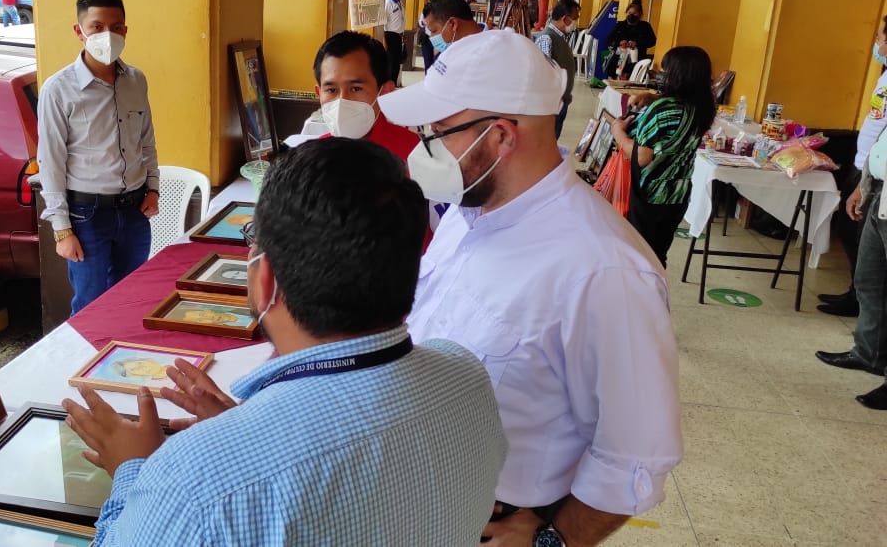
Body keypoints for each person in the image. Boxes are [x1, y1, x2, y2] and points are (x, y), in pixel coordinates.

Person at [63, 138, 506, 545]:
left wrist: (133, 472)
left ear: (264, 278)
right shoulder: (465, 375)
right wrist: (249, 428)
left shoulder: (190, 484)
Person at [378, 30, 682, 547]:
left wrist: (553, 539)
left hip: (493, 520)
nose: (426, 147)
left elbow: (633, 455)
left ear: (500, 136)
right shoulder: (470, 211)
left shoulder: (605, 272)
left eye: (440, 131)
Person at [37, 0, 160, 315]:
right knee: (91, 306)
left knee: (132, 299)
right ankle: (88, 366)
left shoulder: (136, 80)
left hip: (134, 211)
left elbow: (146, 140)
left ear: (125, 30)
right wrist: (62, 229)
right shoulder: (58, 89)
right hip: (86, 216)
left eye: (116, 27)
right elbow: (50, 162)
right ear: (80, 31)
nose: (108, 35)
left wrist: (153, 188)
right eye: (97, 27)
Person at [815, 16, 887, 408]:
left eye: (880, 37)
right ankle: (868, 351)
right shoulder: (884, 77)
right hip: (875, 181)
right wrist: (863, 183)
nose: (876, 43)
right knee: (871, 276)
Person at [609, 46, 717, 266]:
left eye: (666, 71)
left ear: (677, 75)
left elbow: (642, 157)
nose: (662, 75)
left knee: (637, 257)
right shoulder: (702, 107)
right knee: (657, 256)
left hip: (649, 194)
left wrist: (618, 133)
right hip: (677, 194)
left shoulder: (662, 109)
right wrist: (651, 97)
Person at [312, 31, 418, 160]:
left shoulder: (414, 154)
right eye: (331, 90)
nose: (342, 101)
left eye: (356, 89)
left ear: (385, 92)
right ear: (319, 93)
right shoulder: (315, 157)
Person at [536, 1, 579, 139]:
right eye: (575, 18)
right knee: (548, 140)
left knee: (554, 137)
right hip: (552, 103)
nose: (575, 23)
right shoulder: (547, 37)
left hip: (560, 100)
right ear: (565, 18)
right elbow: (544, 72)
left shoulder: (560, 37)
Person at [383, 0, 406, 85]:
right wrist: (385, 43)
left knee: (397, 64)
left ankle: (394, 85)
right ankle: (389, 87)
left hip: (398, 36)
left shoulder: (399, 1)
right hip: (390, 36)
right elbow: (383, 25)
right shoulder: (387, 3)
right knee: (391, 65)